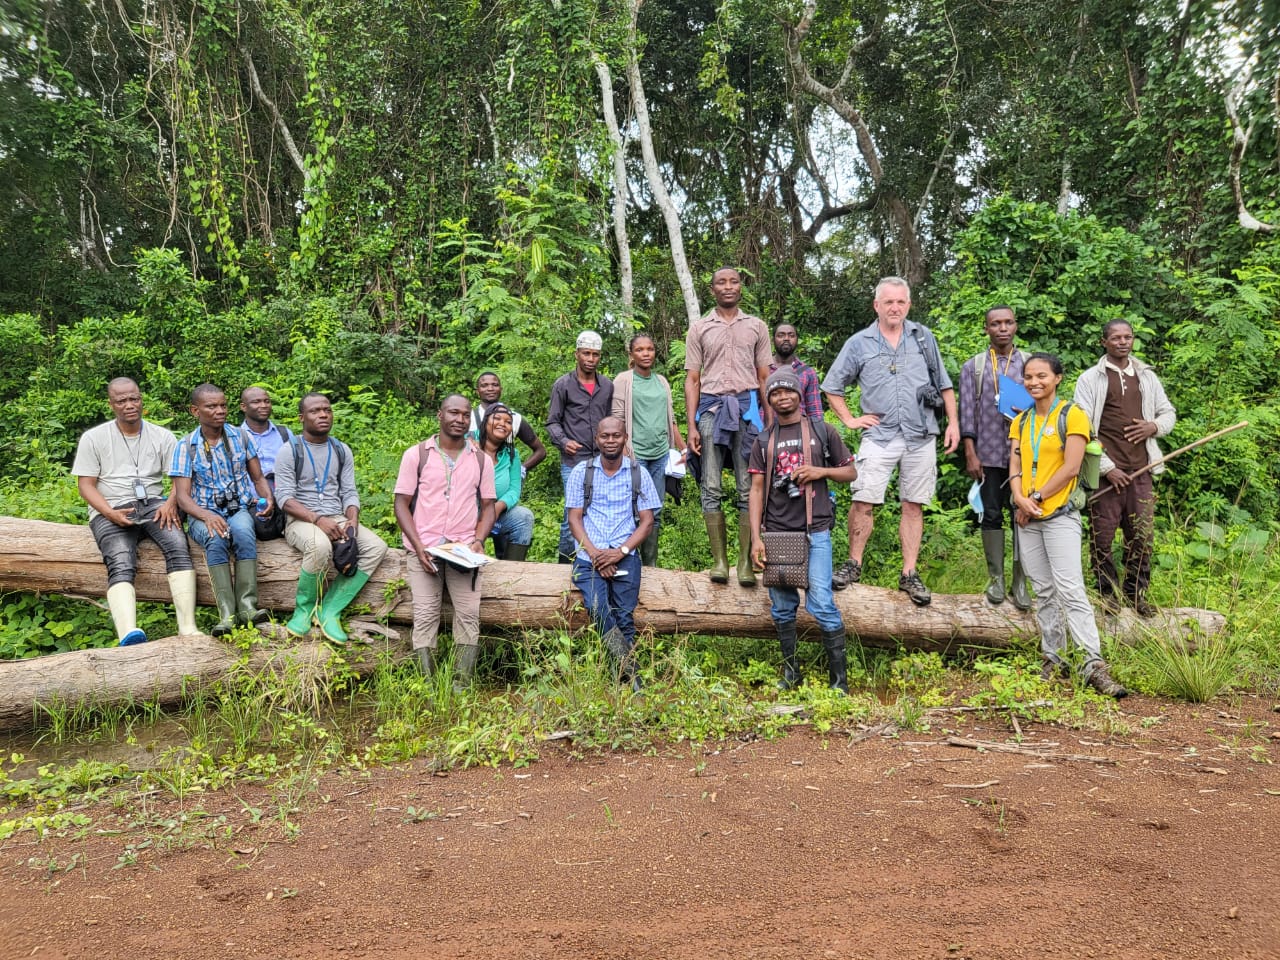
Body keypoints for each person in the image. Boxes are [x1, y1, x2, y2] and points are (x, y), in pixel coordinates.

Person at [821, 276, 959, 606]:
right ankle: (853, 564)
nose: (894, 307)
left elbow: (944, 385)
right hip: (879, 435)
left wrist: (953, 423)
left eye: (900, 302)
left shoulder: (923, 338)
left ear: (908, 304)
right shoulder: (859, 343)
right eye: (888, 302)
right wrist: (850, 419)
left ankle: (909, 573)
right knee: (863, 499)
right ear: (877, 306)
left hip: (920, 434)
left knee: (913, 503)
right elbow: (832, 386)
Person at [1009, 353, 1127, 698]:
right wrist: (1019, 498)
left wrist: (1036, 499)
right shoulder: (1022, 421)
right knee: (1043, 591)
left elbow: (1071, 468)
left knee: (1070, 590)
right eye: (1028, 377)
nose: (1034, 382)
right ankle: (1054, 658)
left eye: (1042, 376)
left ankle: (1093, 664)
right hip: (1026, 516)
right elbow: (1014, 465)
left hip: (1058, 515)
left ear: (1057, 378)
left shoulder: (1072, 415)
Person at [749, 369, 858, 692]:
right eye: (776, 393)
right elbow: (755, 490)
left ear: (799, 394)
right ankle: (791, 673)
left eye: (788, 392)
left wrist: (818, 472)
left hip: (816, 531)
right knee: (782, 606)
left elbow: (850, 472)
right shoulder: (764, 439)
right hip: (778, 533)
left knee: (822, 603)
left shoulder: (822, 431)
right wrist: (756, 538)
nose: (783, 397)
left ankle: (839, 682)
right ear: (769, 399)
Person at [72, 377, 201, 645]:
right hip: (113, 505)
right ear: (111, 405)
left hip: (155, 503)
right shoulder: (94, 438)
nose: (129, 405)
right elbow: (86, 485)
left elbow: (180, 478)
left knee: (178, 544)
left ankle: (187, 628)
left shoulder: (162, 436)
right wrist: (109, 513)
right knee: (120, 558)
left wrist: (170, 503)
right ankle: (128, 633)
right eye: (122, 401)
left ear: (141, 400)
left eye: (134, 399)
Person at [1072, 320, 1176, 617]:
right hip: (1106, 476)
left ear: (1133, 340)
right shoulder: (1090, 379)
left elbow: (1168, 412)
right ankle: (1108, 598)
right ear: (1104, 342)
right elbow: (1082, 427)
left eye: (1128, 337)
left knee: (1141, 537)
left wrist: (1153, 426)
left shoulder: (1146, 376)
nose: (1122, 342)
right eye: (1115, 337)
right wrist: (1107, 468)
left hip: (1141, 471)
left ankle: (1136, 595)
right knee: (1102, 538)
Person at [394, 394, 497, 685]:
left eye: (465, 415)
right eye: (454, 413)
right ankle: (427, 684)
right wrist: (418, 547)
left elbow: (488, 506)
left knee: (468, 615)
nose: (460, 419)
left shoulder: (480, 460)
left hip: (463, 550)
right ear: (440, 415)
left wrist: (478, 540)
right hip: (423, 548)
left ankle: (461, 683)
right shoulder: (418, 454)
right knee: (425, 615)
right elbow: (401, 503)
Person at [274, 393, 388, 643]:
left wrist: (353, 520)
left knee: (377, 547)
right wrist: (317, 520)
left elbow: (349, 491)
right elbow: (284, 498)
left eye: (327, 410)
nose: (323, 415)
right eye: (315, 411)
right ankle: (304, 610)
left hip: (336, 516)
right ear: (302, 417)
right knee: (319, 545)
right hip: (301, 520)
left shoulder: (340, 449)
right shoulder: (290, 450)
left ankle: (330, 609)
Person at [684, 267, 773, 585]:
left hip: (747, 411)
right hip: (711, 409)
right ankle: (719, 562)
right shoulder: (699, 328)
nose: (728, 286)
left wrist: (770, 420)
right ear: (712, 290)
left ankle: (745, 563)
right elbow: (692, 379)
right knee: (710, 485)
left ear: (741, 287)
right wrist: (692, 425)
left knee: (747, 486)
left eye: (733, 281)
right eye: (721, 282)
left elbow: (765, 377)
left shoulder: (756, 327)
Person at [170, 383, 276, 637]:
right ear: (195, 411)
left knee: (242, 531)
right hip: (201, 511)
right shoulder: (186, 446)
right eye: (211, 406)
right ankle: (227, 614)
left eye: (223, 405)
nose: (220, 411)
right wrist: (207, 516)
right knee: (216, 539)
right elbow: (182, 497)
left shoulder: (240, 437)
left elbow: (258, 477)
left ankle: (248, 607)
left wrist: (268, 498)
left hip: (238, 507)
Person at [566, 416, 660, 691]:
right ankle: (633, 676)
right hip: (588, 558)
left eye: (615, 436)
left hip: (625, 555)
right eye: (605, 436)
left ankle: (622, 681)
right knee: (597, 608)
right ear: (597, 439)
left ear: (625, 438)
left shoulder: (637, 473)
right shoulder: (581, 472)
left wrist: (620, 552)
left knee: (624, 616)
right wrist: (596, 554)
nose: (610, 440)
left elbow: (647, 521)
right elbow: (574, 519)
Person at [958, 305, 1031, 610]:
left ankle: (1021, 583)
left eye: (1008, 322)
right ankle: (996, 579)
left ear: (1016, 326)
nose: (1002, 328)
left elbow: (1043, 406)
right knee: (991, 514)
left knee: (1024, 515)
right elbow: (966, 413)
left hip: (1025, 454)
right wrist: (970, 452)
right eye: (995, 323)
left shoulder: (1030, 363)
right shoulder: (973, 367)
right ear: (986, 328)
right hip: (987, 452)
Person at [610, 332, 686, 567]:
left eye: (650, 349)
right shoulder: (624, 380)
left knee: (655, 511)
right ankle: (628, 563)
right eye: (640, 349)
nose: (646, 353)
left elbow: (670, 419)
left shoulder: (661, 381)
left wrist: (682, 448)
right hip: (636, 455)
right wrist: (623, 453)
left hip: (660, 455)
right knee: (633, 511)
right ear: (631, 354)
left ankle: (649, 565)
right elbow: (617, 418)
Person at [547, 331, 614, 564]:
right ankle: (564, 566)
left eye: (595, 354)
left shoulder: (607, 386)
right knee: (571, 517)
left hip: (602, 461)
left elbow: (611, 420)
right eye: (586, 353)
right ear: (577, 354)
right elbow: (552, 422)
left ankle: (591, 562)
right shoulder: (563, 385)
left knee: (597, 512)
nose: (590, 359)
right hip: (573, 462)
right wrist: (564, 441)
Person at [477, 403, 535, 561]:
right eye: (497, 418)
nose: (503, 423)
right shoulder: (469, 444)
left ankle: (511, 569)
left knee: (523, 517)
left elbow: (514, 490)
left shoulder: (511, 454)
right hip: (467, 512)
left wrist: (497, 507)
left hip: (496, 515)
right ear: (485, 422)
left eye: (508, 421)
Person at [469, 371, 547, 474]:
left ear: (501, 390)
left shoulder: (514, 418)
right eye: (484, 385)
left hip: (505, 481)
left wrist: (520, 470)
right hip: (473, 478)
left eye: (495, 385)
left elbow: (540, 451)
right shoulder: (467, 417)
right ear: (477, 391)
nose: (490, 389)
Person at [238, 386, 292, 486]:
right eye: (256, 402)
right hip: (249, 500)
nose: (263, 405)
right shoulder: (235, 437)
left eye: (267, 401)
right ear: (243, 407)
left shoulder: (284, 433)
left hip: (284, 498)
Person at [769, 323, 823, 420]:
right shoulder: (762, 369)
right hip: (765, 430)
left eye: (791, 335)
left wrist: (818, 431)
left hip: (797, 429)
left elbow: (815, 410)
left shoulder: (807, 372)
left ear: (797, 340)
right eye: (781, 335)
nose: (786, 338)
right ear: (773, 340)